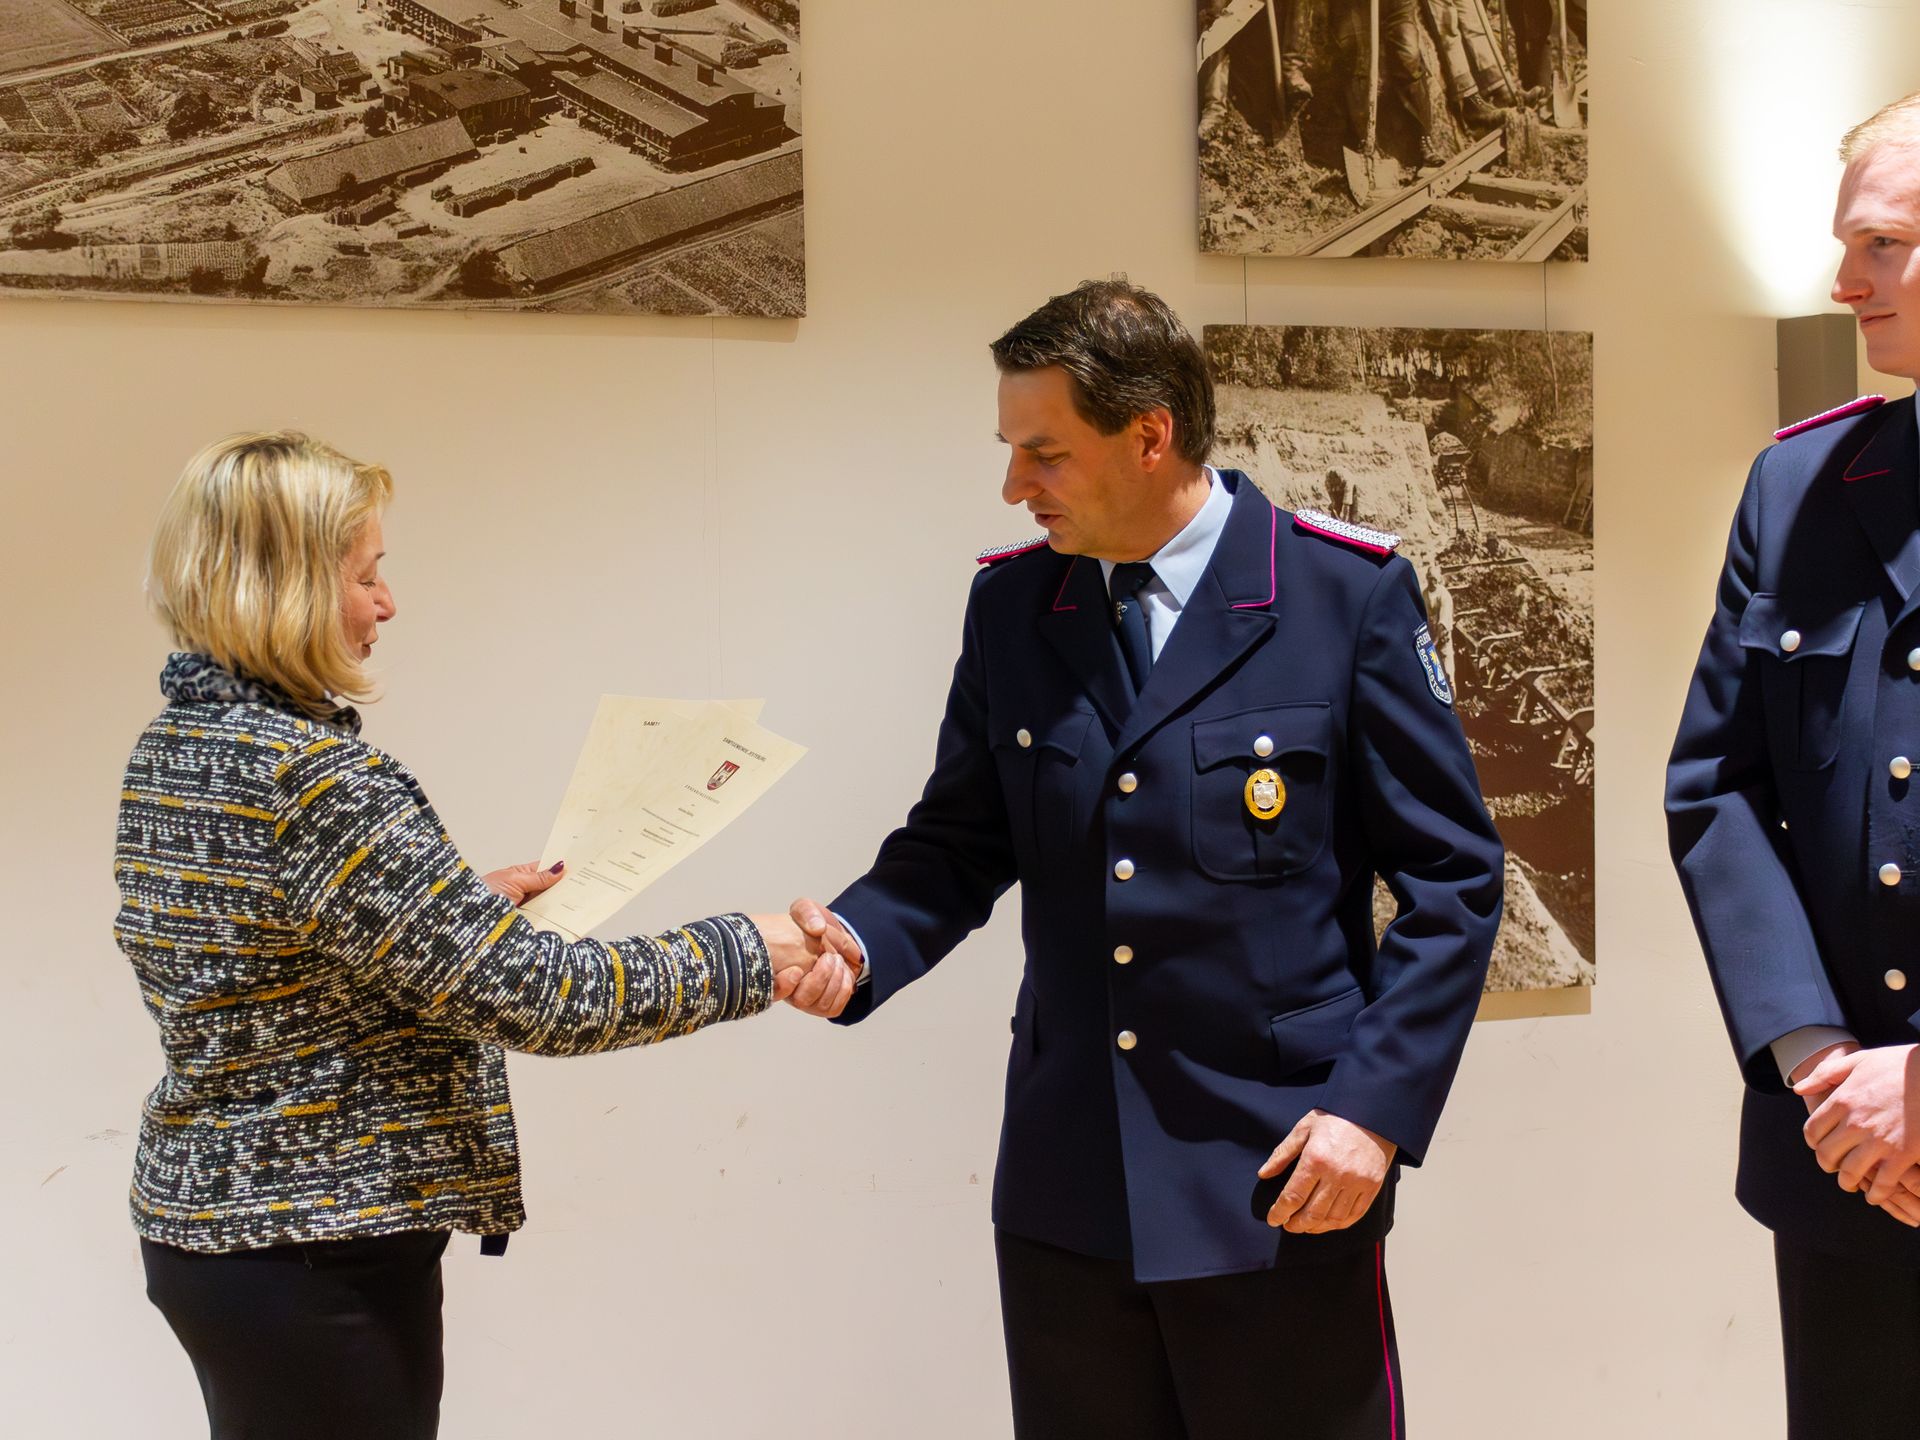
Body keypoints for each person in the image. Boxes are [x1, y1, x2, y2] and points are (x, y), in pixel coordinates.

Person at [788, 280, 1505, 1438]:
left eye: (1044, 453)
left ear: (1150, 434)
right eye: (1011, 450)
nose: (1014, 485)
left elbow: (1454, 882)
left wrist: (1371, 1114)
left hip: (1279, 1175)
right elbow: (960, 838)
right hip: (1071, 1188)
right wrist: (861, 942)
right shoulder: (1015, 607)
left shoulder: (1342, 594)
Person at [119, 431, 855, 1440]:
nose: (387, 603)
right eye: (366, 576)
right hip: (313, 1249)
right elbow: (544, 999)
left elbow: (264, 956)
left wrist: (450, 910)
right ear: (283, 590)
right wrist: (750, 951)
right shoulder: (313, 780)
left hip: (223, 1231)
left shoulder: (180, 745)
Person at [1667, 93, 1920, 1440]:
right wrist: (1823, 1063)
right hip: (1844, 1163)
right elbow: (1718, 788)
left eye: (1882, 244)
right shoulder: (1800, 486)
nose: (1844, 283)